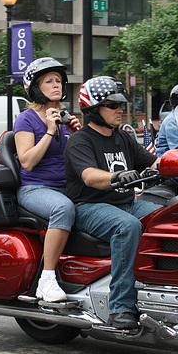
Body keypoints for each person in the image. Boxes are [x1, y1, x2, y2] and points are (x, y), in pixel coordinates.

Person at [64, 76, 161, 329]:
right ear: (93, 109)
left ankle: (159, 291)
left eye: (121, 105)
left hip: (125, 202)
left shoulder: (124, 137)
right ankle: (120, 307)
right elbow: (89, 177)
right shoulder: (80, 140)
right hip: (88, 206)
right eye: (113, 105)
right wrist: (116, 176)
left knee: (166, 217)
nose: (121, 110)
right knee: (127, 226)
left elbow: (152, 162)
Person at [14, 57, 81, 302]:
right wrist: (50, 131)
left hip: (66, 186)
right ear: (35, 87)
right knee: (63, 208)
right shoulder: (27, 119)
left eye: (59, 81)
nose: (57, 85)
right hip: (35, 188)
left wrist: (78, 132)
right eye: (49, 81)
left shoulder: (63, 117)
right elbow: (28, 161)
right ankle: (47, 279)